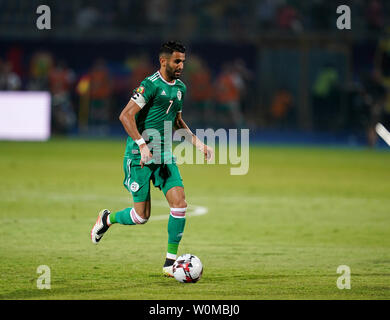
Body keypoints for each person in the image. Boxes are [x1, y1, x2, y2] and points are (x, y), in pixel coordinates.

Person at [90, 41, 213, 277]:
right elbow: (125, 116)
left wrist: (198, 143)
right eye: (177, 61)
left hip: (164, 155)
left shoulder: (180, 89)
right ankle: (107, 218)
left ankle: (170, 263)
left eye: (183, 62)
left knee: (179, 203)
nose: (181, 66)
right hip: (139, 156)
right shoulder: (149, 85)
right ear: (163, 61)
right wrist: (142, 144)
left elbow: (177, 121)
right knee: (140, 216)